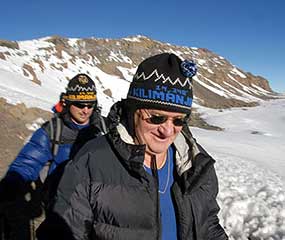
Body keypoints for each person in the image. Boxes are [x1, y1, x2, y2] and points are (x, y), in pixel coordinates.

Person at [38, 53, 228, 240]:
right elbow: (63, 231)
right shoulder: (91, 162)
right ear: (132, 111)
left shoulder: (195, 163)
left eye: (179, 120)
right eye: (157, 118)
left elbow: (208, 224)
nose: (168, 131)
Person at [0, 73, 107, 240]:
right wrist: (10, 187)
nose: (85, 109)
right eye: (79, 104)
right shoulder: (52, 131)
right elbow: (25, 165)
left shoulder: (103, 129)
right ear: (68, 102)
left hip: (98, 213)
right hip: (61, 212)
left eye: (90, 104)